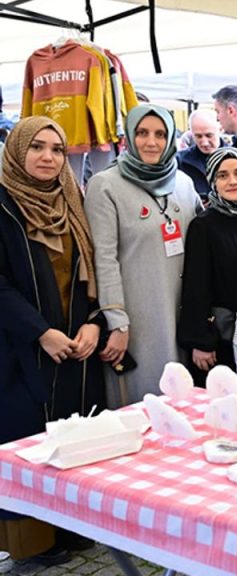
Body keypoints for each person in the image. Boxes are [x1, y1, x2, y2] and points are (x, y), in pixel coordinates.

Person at [1, 117, 106, 563]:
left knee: (73, 433)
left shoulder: (72, 199)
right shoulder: (3, 204)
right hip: (19, 346)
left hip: (75, 341)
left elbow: (93, 270)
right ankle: (32, 544)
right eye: (37, 147)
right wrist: (40, 332)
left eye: (57, 149)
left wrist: (93, 323)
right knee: (28, 442)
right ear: (17, 150)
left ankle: (73, 525)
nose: (48, 157)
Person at [85, 105, 203, 407]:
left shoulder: (184, 184)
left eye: (160, 134)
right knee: (143, 407)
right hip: (137, 320)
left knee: (183, 407)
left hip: (182, 316)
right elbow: (104, 260)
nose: (151, 142)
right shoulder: (105, 185)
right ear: (129, 136)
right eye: (142, 133)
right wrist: (117, 322)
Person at [178, 148, 237, 386]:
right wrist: (201, 341)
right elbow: (195, 287)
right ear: (212, 180)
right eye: (223, 175)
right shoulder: (204, 225)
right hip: (220, 338)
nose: (233, 181)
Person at [175, 109, 224, 202]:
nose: (204, 143)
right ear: (191, 134)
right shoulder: (179, 160)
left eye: (209, 135)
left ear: (220, 130)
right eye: (198, 136)